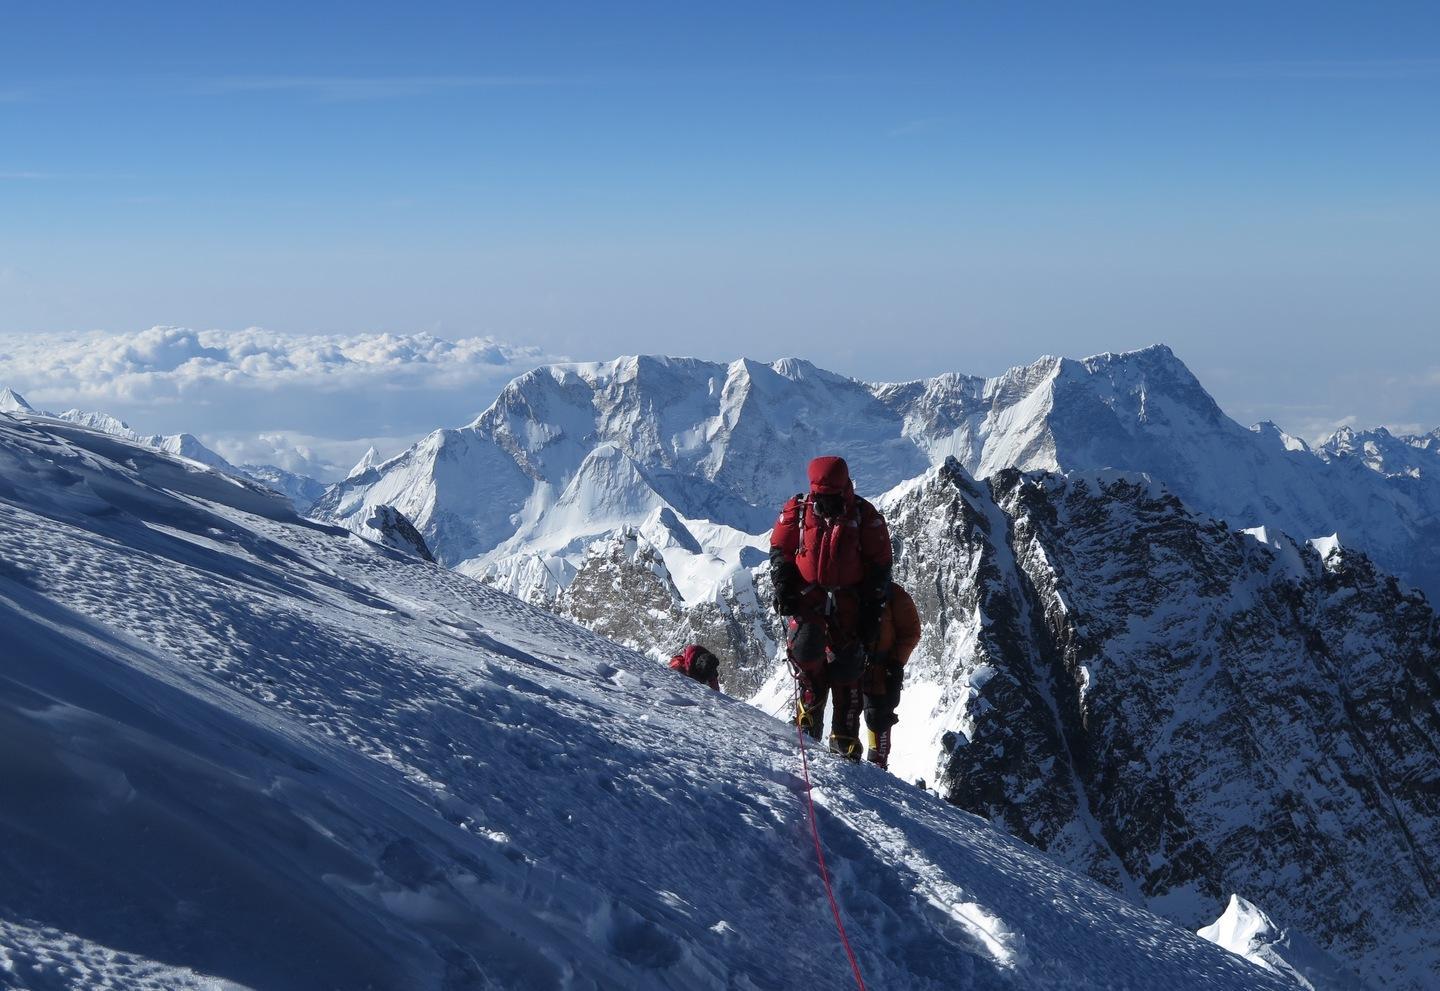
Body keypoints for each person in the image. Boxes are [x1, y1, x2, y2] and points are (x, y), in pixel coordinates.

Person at [769, 455, 892, 759]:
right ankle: (810, 708)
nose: (825, 504)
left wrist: (871, 610)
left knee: (849, 664)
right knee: (805, 649)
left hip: (850, 601)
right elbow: (780, 550)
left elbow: (880, 566)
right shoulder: (799, 510)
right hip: (809, 597)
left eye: (831, 498)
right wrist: (784, 584)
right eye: (821, 498)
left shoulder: (864, 516)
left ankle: (844, 731)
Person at [862, 582, 921, 769]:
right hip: (853, 662)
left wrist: (895, 663)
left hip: (879, 668)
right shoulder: (849, 585)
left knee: (877, 716)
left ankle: (877, 763)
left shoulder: (893, 594)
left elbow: (911, 632)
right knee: (852, 709)